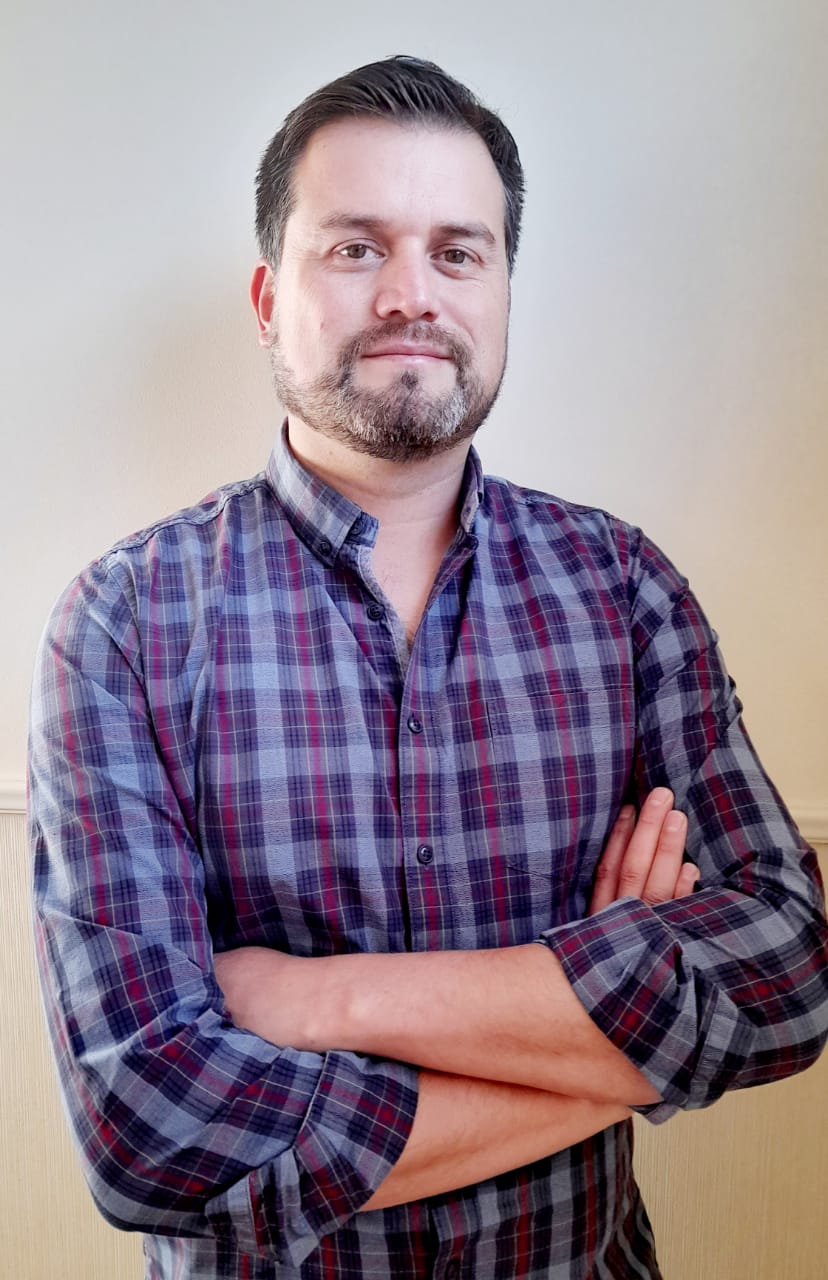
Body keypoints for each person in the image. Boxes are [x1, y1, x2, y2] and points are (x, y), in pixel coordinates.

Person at [29, 55, 828, 1280]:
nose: (412, 294)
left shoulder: (626, 589)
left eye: (459, 252)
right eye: (357, 248)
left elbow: (788, 971)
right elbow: (152, 1133)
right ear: (267, 298)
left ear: (503, 289)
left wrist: (324, 999)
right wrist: (612, 1037)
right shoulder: (124, 623)